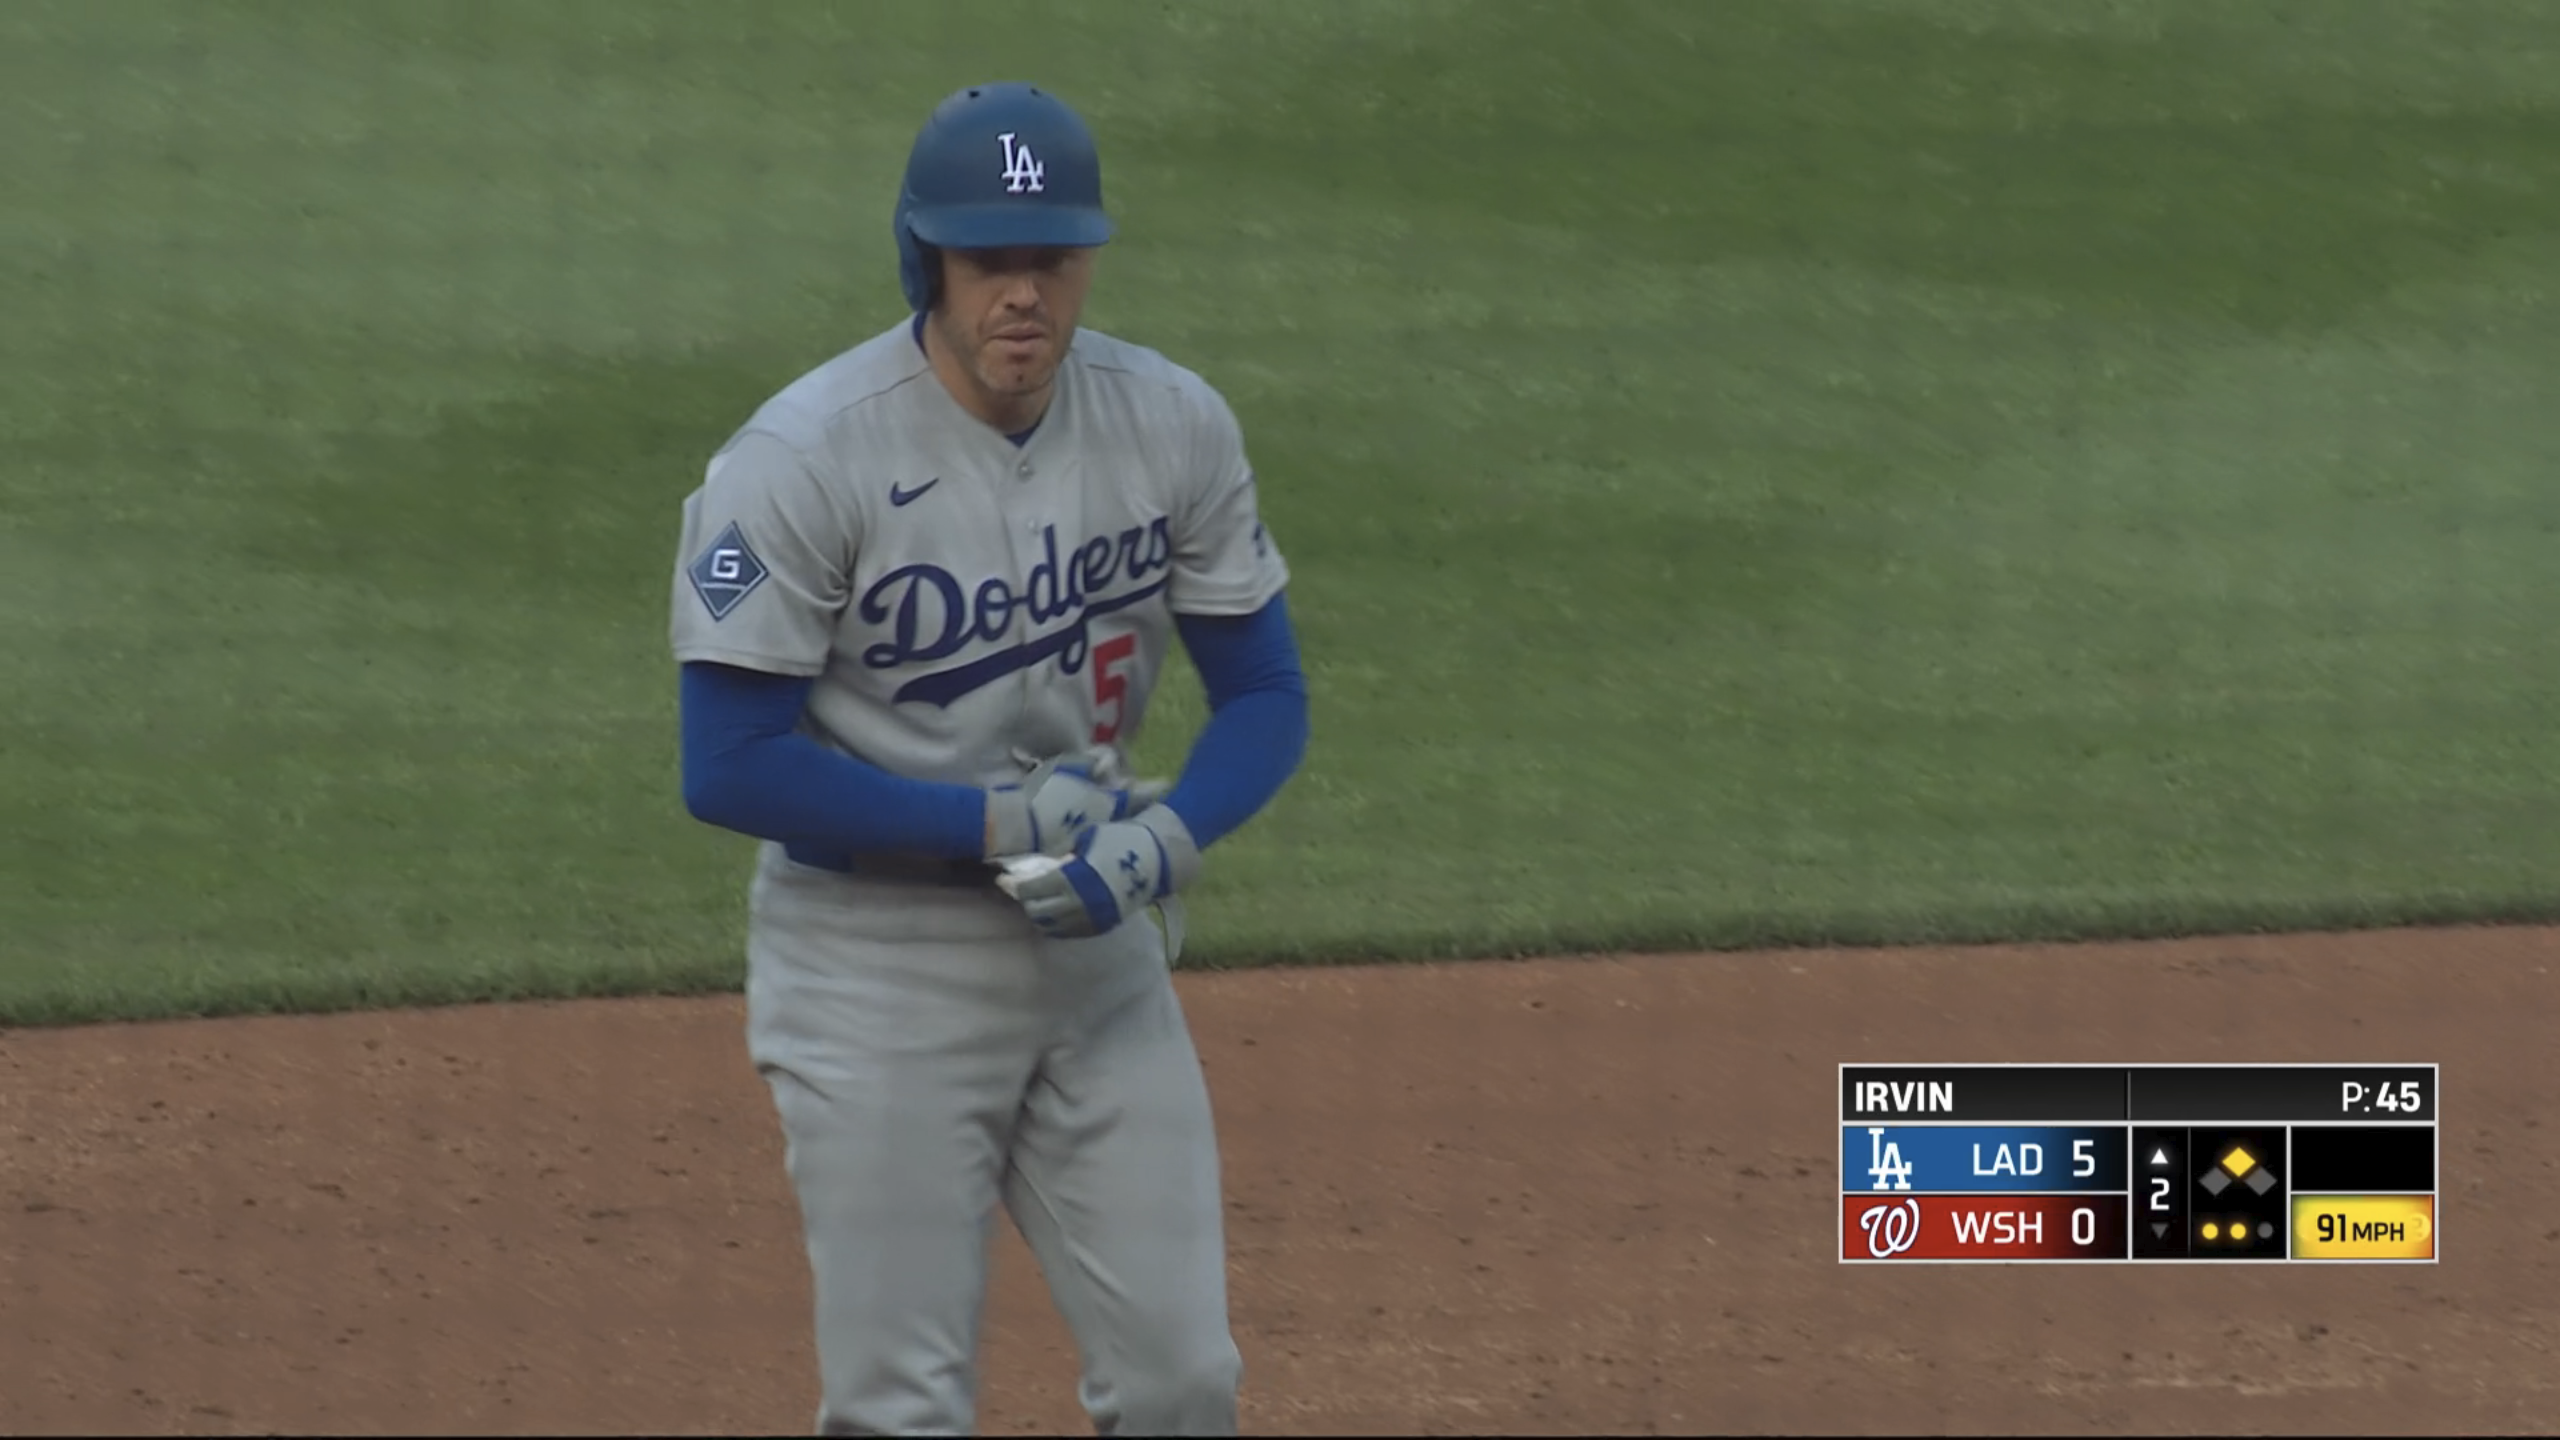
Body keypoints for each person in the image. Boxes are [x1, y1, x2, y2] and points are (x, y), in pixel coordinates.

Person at [665, 80, 1310, 1436]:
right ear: (928, 262)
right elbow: (728, 763)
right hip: (873, 972)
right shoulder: (802, 459)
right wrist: (997, 823)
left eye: (1052, 258)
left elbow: (1264, 693)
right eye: (988, 260)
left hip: (1098, 964)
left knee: (1185, 1384)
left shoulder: (1171, 421)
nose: (1024, 293)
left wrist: (1167, 837)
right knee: (901, 1409)